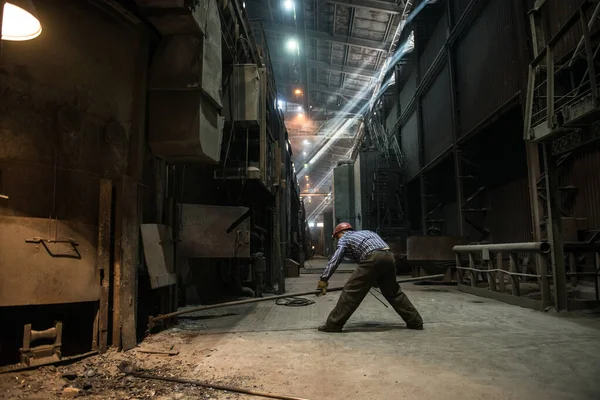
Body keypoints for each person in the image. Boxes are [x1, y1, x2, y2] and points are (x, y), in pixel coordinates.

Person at [316, 222, 423, 332]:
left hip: (373, 256)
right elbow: (372, 260)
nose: (337, 241)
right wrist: (375, 278)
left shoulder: (345, 238)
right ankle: (415, 321)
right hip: (389, 256)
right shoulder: (366, 233)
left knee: (351, 291)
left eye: (336, 237)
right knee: (393, 292)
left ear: (341, 232)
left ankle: (333, 324)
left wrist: (324, 279)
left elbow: (335, 260)